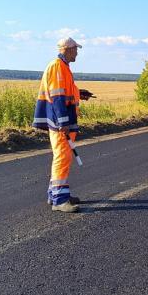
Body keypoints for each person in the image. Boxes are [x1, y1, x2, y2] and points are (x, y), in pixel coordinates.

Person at [32, 37, 94, 213]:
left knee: (62, 157)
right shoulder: (57, 67)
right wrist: (63, 123)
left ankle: (55, 195)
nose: (77, 53)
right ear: (67, 49)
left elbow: (65, 92)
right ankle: (60, 200)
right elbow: (58, 97)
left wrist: (79, 93)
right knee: (62, 157)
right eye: (76, 49)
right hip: (60, 122)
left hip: (61, 120)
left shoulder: (63, 66)